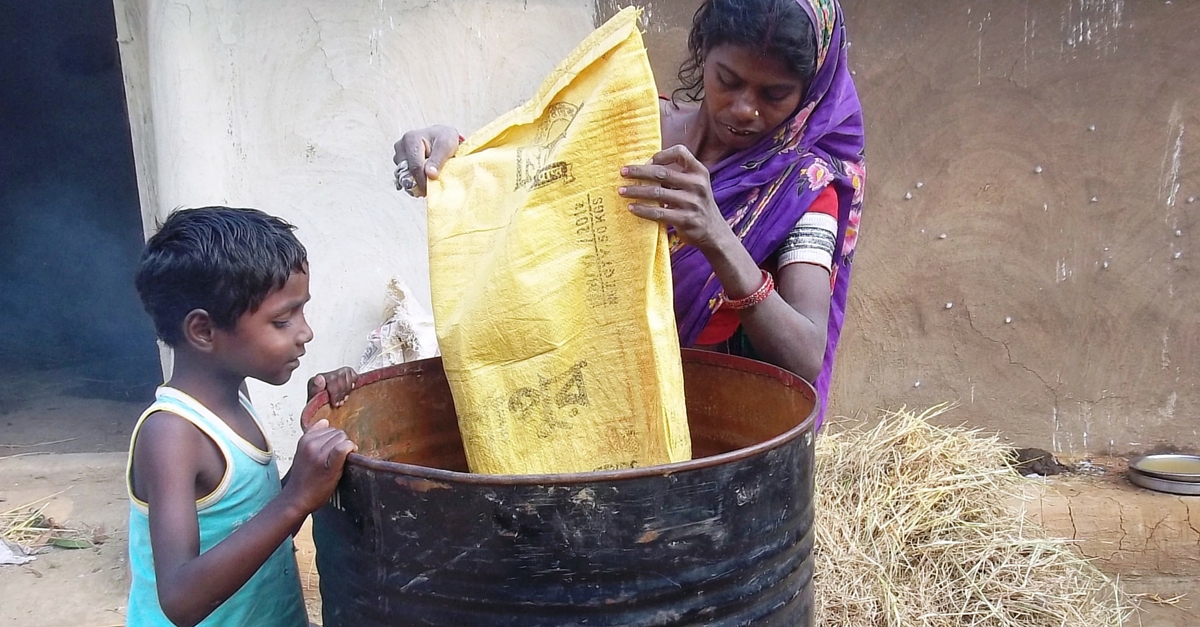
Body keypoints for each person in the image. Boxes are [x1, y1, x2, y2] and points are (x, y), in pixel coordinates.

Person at [394, 0, 864, 428]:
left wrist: (717, 237)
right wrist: (454, 157)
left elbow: (804, 353)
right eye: (729, 80)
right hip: (571, 402)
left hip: (702, 432)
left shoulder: (801, 188)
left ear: (810, 91)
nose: (744, 109)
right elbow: (522, 183)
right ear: (704, 54)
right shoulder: (628, 127)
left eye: (774, 94)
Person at [128, 206, 359, 627]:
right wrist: (295, 498)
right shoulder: (172, 434)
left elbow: (256, 527)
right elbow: (180, 600)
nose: (305, 332)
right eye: (282, 320)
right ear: (203, 331)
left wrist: (316, 440)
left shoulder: (237, 395)